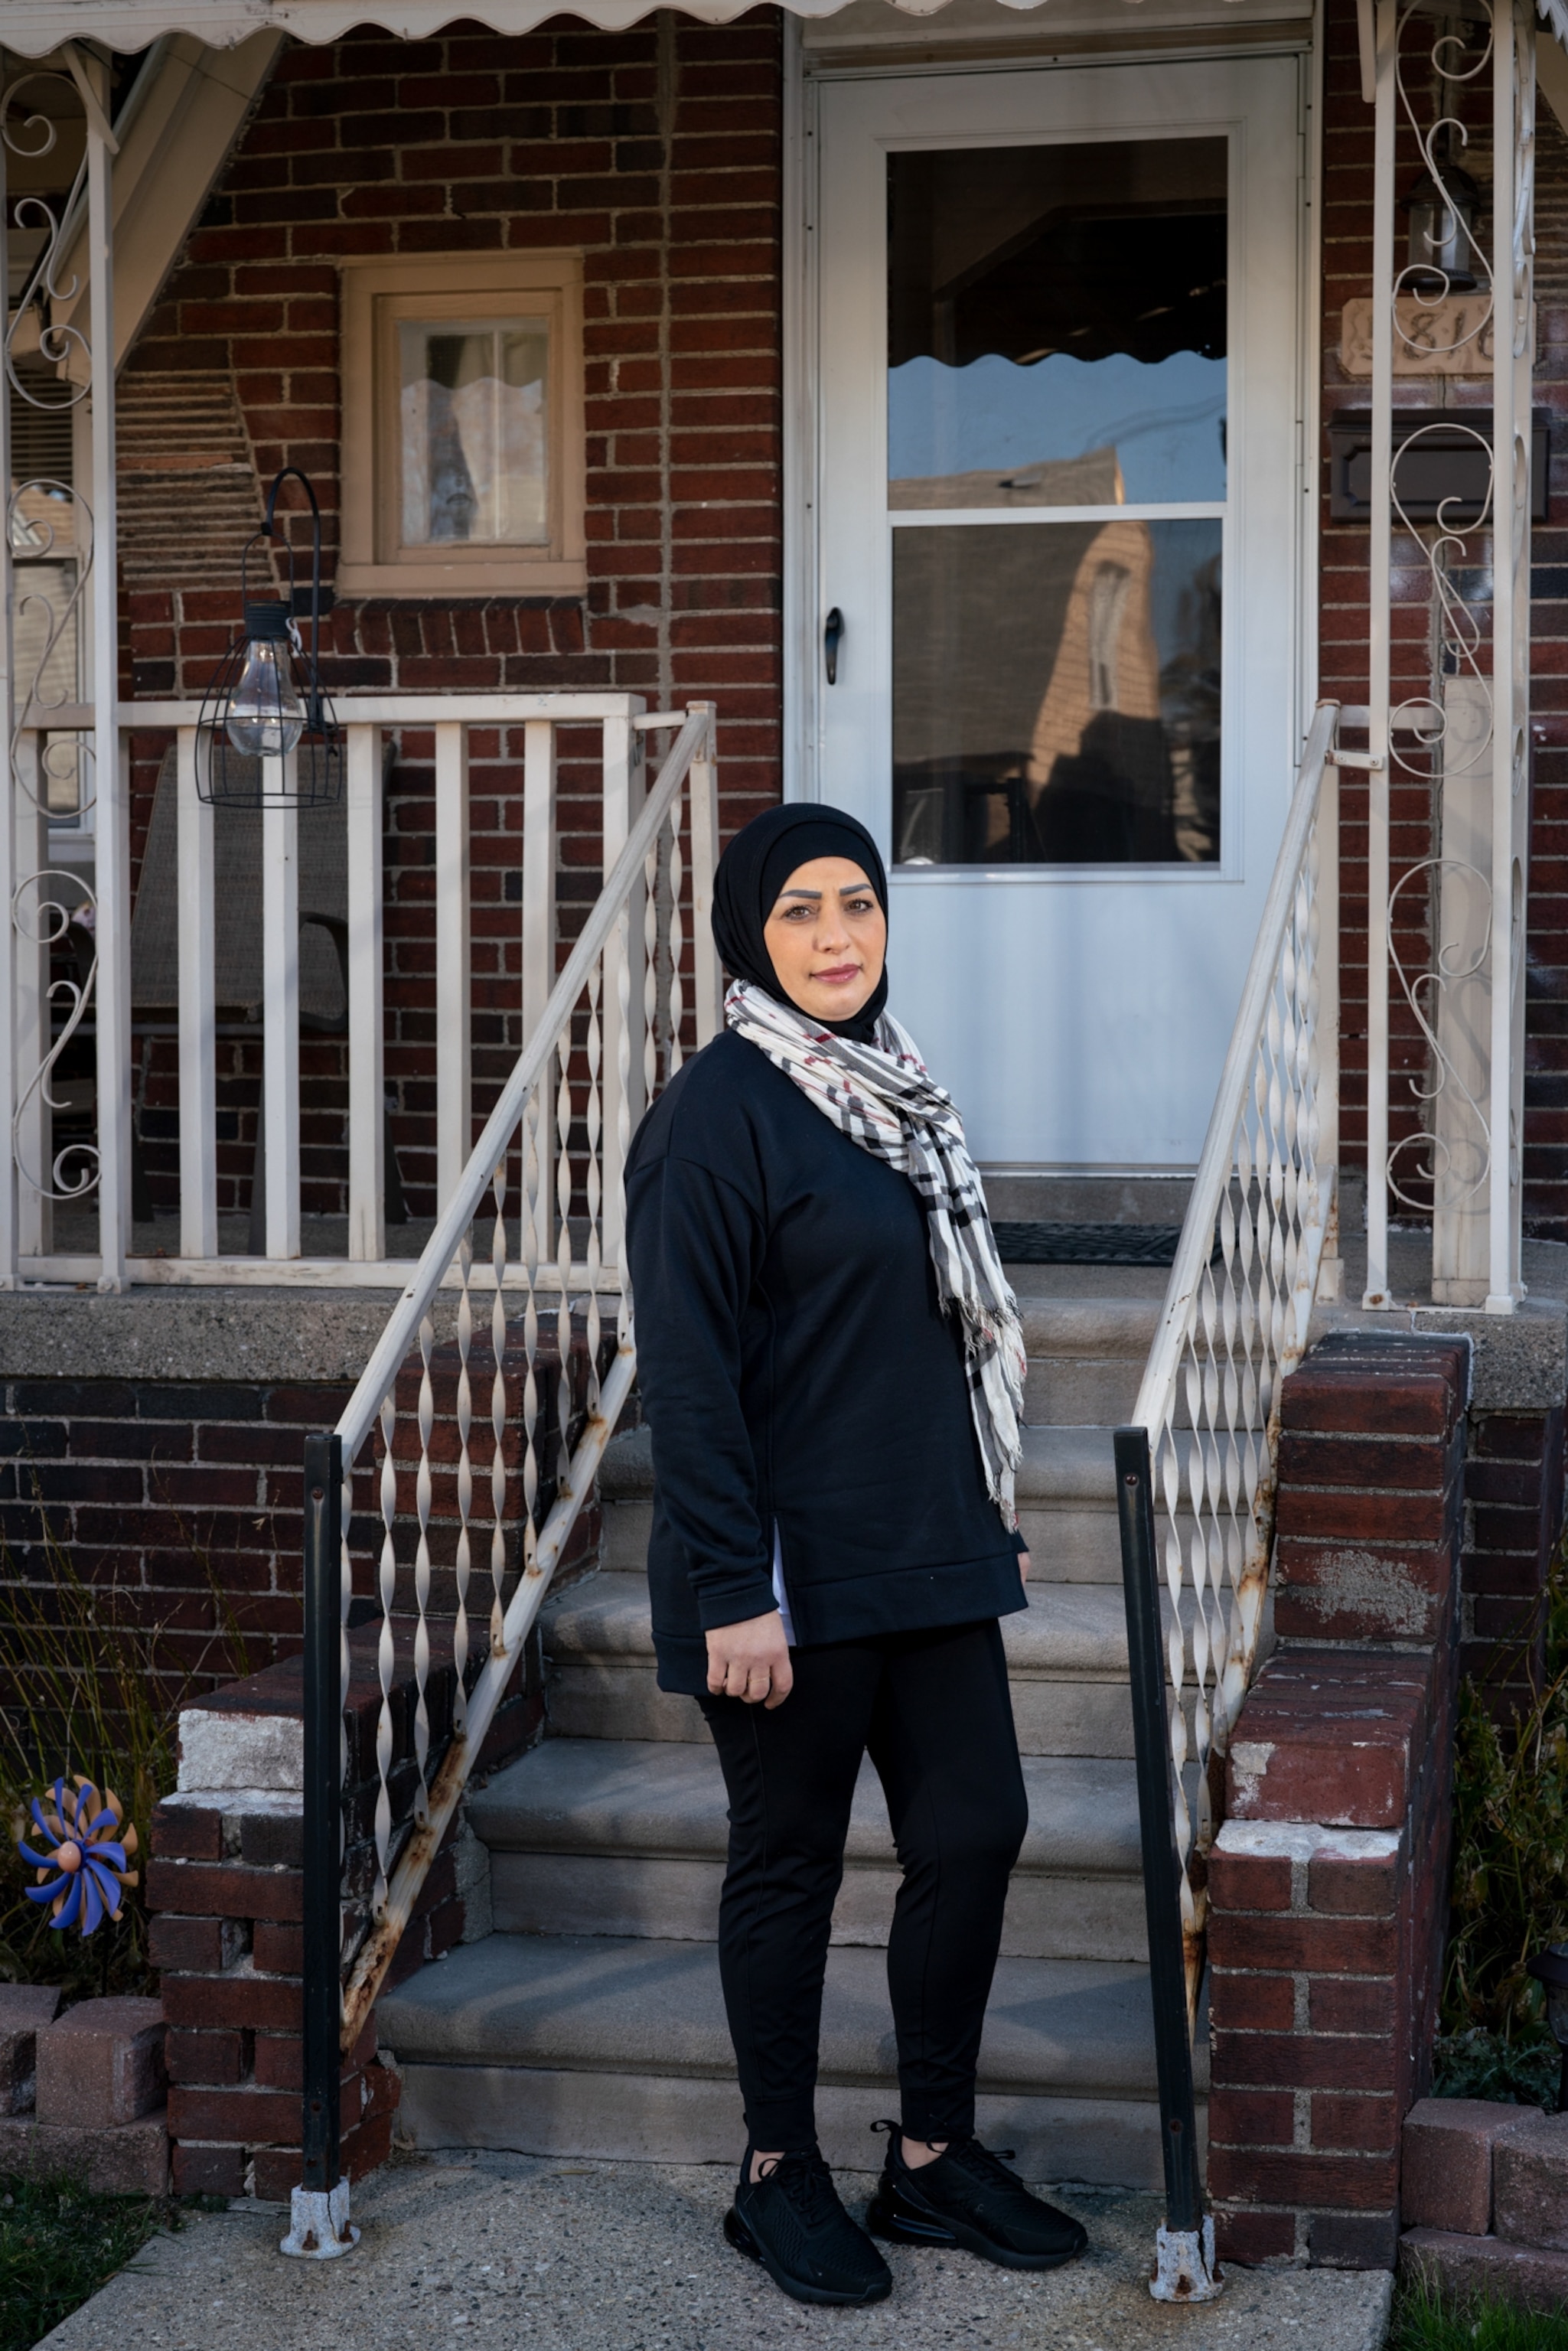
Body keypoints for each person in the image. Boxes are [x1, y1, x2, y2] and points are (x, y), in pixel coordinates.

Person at [624, 802, 1090, 2308]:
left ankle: (931, 2157)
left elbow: (929, 1334)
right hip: (781, 1574)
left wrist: (976, 1511)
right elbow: (689, 1375)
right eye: (799, 911)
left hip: (922, 1545)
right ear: (746, 935)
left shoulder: (897, 1094)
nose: (836, 937)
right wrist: (731, 1591)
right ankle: (775, 2175)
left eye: (857, 904)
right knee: (791, 1864)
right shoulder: (713, 1117)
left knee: (973, 1830)